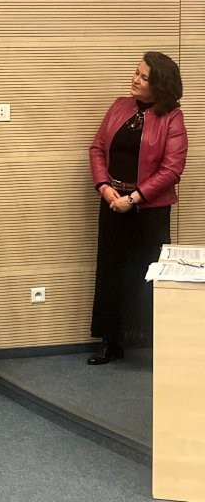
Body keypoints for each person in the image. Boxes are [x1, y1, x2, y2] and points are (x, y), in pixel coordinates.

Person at [88, 51, 188, 365]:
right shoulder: (120, 105)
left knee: (149, 274)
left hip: (150, 209)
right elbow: (97, 149)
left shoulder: (172, 117)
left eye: (144, 77)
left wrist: (133, 199)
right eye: (136, 72)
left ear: (159, 85)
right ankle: (110, 341)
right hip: (112, 202)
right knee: (110, 271)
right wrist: (105, 188)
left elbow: (172, 170)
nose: (135, 79)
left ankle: (153, 343)